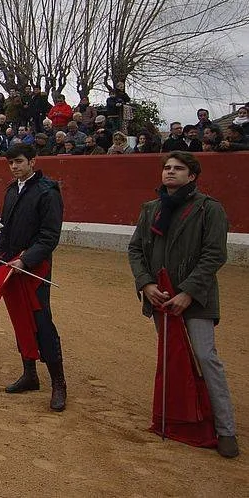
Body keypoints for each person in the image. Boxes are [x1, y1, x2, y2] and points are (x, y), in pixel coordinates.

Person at [128, 152, 239, 459]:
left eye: (178, 169)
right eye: (167, 168)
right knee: (173, 356)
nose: (170, 172)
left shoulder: (209, 209)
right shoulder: (151, 209)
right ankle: (177, 419)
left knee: (205, 356)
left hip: (196, 298)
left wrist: (188, 292)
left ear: (192, 176)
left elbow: (214, 255)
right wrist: (146, 284)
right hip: (161, 297)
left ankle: (225, 429)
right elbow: (136, 249)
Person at [0, 143, 67, 412]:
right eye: (11, 162)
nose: (14, 166)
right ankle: (30, 374)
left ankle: (58, 383)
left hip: (35, 268)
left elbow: (49, 237)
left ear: (33, 161)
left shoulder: (48, 191)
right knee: (20, 318)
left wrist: (24, 259)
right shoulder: (13, 190)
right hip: (12, 264)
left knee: (41, 320)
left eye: (19, 161)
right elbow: (6, 227)